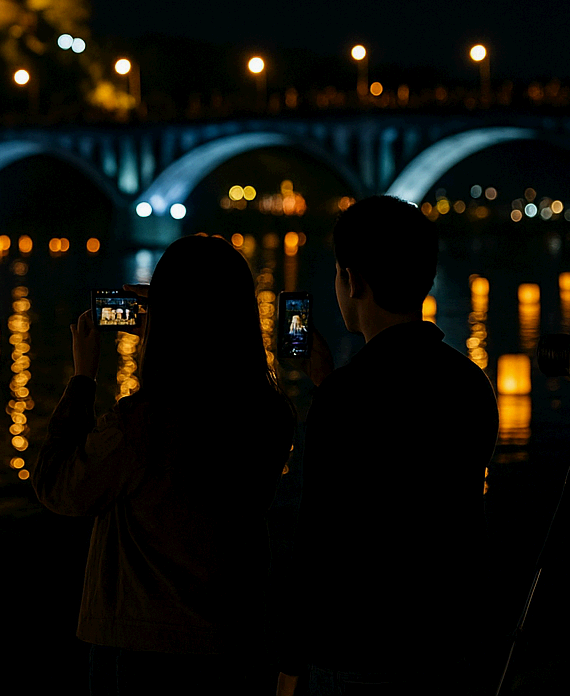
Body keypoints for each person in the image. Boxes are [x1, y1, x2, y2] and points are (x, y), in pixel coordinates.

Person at [33, 233, 296, 693]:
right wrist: (174, 326)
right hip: (233, 639)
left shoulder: (143, 423)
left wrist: (82, 379)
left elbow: (60, 487)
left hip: (142, 647)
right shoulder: (270, 416)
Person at [276, 195, 498, 696]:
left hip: (358, 652)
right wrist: (329, 385)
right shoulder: (470, 384)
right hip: (443, 648)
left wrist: (291, 664)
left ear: (352, 281)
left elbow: (318, 540)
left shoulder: (345, 399)